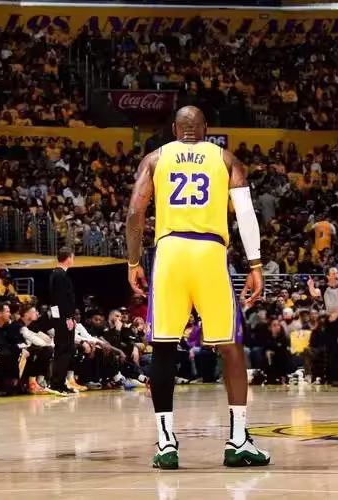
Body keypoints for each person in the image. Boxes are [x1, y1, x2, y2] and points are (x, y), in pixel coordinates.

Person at [125, 105, 270, 469]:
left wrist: (132, 262)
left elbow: (134, 213)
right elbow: (246, 215)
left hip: (169, 253)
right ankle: (238, 440)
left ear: (176, 130)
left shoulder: (154, 159)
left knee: (163, 348)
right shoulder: (226, 160)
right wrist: (255, 265)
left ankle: (165, 443)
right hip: (209, 252)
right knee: (230, 345)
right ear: (205, 129)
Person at [48, 247, 78, 395]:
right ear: (68, 258)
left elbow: (54, 302)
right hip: (64, 319)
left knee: (64, 350)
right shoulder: (60, 275)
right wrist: (67, 318)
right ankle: (57, 384)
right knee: (64, 350)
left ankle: (59, 382)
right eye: (73, 257)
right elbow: (61, 300)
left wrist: (58, 319)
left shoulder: (55, 274)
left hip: (60, 318)